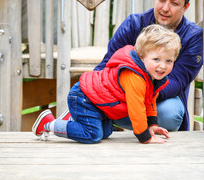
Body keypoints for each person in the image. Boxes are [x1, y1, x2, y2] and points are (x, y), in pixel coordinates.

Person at [58, 0, 203, 131]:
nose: (165, 8)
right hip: (120, 92)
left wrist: (140, 94)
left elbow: (177, 81)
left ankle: (107, 117)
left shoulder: (193, 37)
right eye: (161, 0)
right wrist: (89, 93)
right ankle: (84, 116)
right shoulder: (133, 24)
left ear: (185, 7)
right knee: (95, 103)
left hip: (161, 97)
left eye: (174, 3)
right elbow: (108, 63)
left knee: (170, 114)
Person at [32, 24, 181, 144]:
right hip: (84, 97)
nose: (163, 66)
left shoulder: (154, 77)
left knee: (106, 132)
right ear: (142, 57)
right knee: (92, 135)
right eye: (156, 59)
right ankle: (48, 124)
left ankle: (71, 120)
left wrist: (152, 125)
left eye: (169, 61)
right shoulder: (135, 76)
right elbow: (137, 108)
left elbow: (149, 101)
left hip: (97, 102)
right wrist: (145, 137)